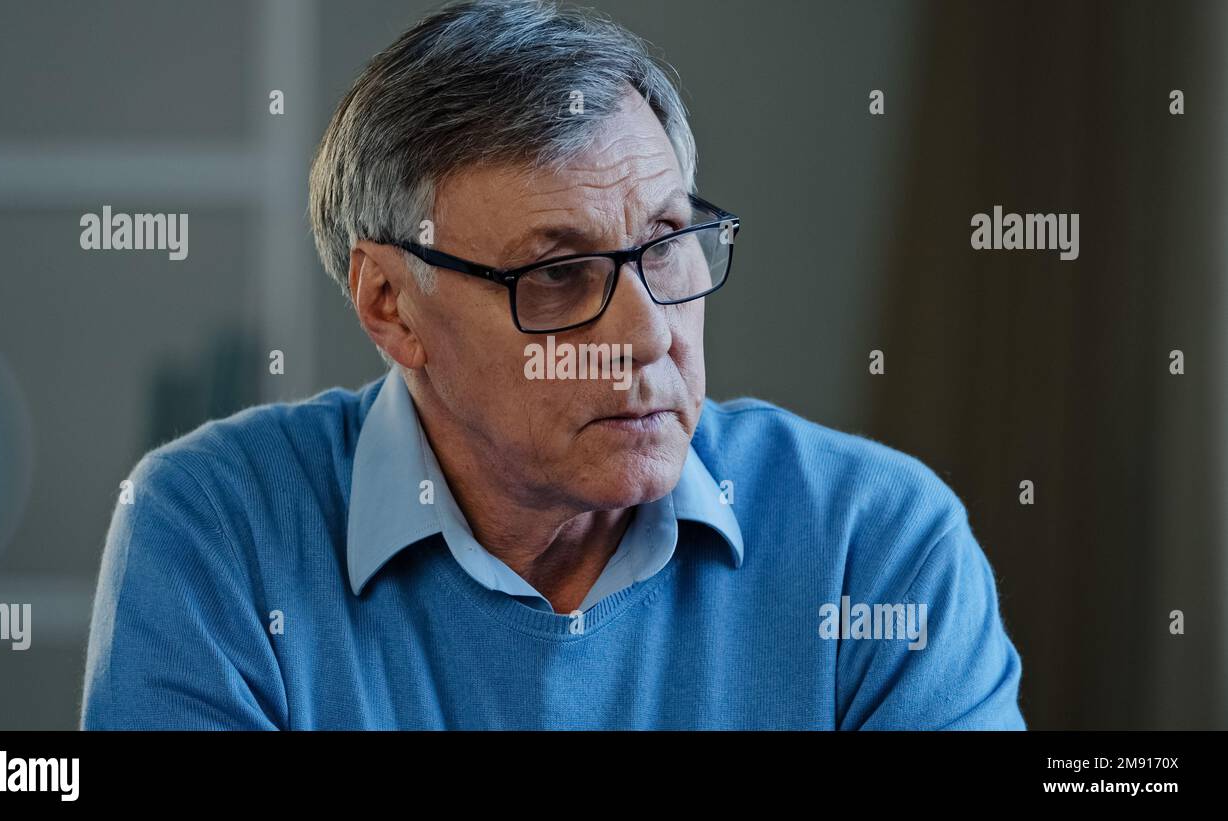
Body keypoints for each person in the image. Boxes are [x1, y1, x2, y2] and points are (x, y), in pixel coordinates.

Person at [81, 0, 1025, 729]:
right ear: (390, 304)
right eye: (560, 275)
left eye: (665, 244)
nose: (650, 334)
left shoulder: (880, 543)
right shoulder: (217, 531)